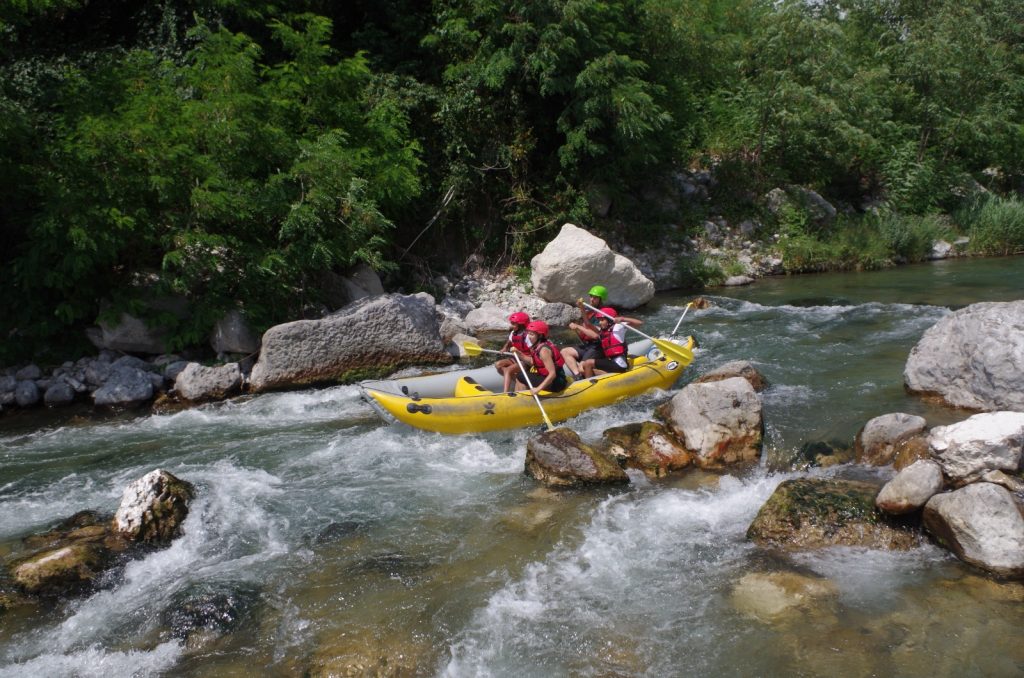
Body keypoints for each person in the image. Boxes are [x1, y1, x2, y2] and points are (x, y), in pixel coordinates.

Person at [578, 307, 643, 378]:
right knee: (587, 367)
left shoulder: (618, 327)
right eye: (599, 320)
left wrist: (622, 319)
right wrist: (582, 308)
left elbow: (639, 323)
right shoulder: (602, 332)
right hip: (611, 362)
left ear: (609, 320)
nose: (600, 323)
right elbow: (588, 324)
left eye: (602, 320)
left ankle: (589, 385)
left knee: (588, 363)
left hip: (620, 364)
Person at [562, 284, 609, 378]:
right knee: (565, 351)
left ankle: (606, 374)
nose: (591, 299)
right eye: (591, 297)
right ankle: (578, 375)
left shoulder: (603, 314)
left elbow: (596, 335)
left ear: (601, 300)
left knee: (582, 367)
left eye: (595, 298)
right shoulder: (590, 311)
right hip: (588, 345)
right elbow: (586, 324)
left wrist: (578, 327)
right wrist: (582, 308)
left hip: (598, 347)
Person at [512, 320, 568, 395]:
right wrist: (519, 353)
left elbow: (552, 374)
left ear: (540, 336)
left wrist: (538, 389)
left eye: (532, 334)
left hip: (556, 383)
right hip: (546, 377)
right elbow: (533, 362)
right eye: (528, 333)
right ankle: (518, 397)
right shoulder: (537, 346)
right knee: (521, 376)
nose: (529, 337)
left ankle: (523, 400)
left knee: (521, 376)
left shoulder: (543, 351)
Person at [495, 311, 531, 393]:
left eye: (514, 324)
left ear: (521, 324)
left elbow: (533, 350)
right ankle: (514, 377)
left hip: (525, 361)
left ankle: (505, 393)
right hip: (515, 358)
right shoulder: (513, 333)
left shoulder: (528, 336)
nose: (511, 325)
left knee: (508, 370)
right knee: (498, 365)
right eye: (512, 323)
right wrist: (504, 348)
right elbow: (509, 342)